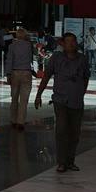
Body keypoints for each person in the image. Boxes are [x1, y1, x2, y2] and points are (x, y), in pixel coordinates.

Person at [36, 32, 90, 172]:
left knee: (74, 133)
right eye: (68, 41)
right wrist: (38, 95)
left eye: (73, 41)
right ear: (63, 44)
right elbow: (46, 76)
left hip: (76, 101)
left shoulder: (82, 59)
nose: (71, 44)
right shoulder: (56, 58)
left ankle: (70, 161)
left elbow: (86, 78)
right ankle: (61, 162)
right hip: (60, 100)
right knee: (61, 130)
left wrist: (81, 92)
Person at [4, 27, 36, 131]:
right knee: (24, 99)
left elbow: (9, 60)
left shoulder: (12, 46)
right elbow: (32, 58)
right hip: (26, 73)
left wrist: (8, 74)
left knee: (14, 98)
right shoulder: (29, 45)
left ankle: (13, 120)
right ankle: (21, 122)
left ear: (17, 35)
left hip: (15, 73)